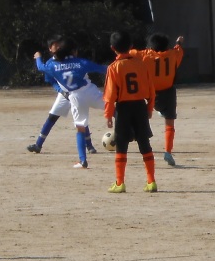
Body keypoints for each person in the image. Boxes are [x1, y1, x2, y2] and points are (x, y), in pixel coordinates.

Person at [32, 37, 107, 168]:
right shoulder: (80, 62)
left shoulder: (52, 66)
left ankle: (83, 160)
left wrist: (38, 57)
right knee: (112, 108)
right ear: (73, 51)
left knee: (80, 127)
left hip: (75, 96)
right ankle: (129, 130)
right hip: (89, 91)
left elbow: (40, 67)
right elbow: (102, 69)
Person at [103, 31, 157, 193]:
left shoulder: (113, 67)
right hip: (140, 106)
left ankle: (120, 183)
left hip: (123, 108)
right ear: (131, 46)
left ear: (112, 48)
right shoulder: (141, 64)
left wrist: (108, 114)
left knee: (121, 146)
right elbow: (151, 90)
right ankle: (151, 181)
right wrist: (149, 108)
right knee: (144, 144)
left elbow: (110, 95)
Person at [139, 32, 185, 165]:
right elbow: (178, 49)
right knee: (169, 124)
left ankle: (157, 110)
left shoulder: (145, 55)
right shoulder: (173, 54)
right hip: (168, 92)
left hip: (150, 93)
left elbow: (129, 53)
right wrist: (179, 42)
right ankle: (168, 152)